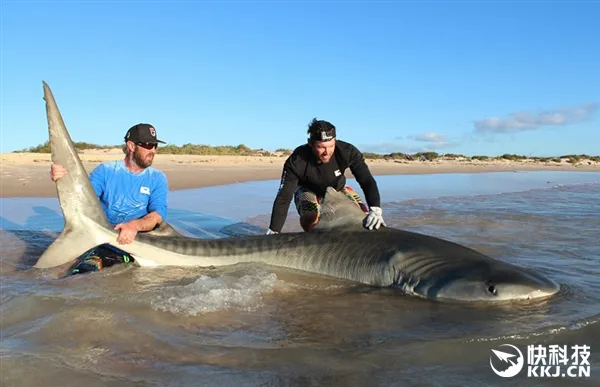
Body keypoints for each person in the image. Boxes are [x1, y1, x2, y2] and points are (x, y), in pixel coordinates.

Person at [49, 123, 169, 274]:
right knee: (82, 275)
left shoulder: (157, 178)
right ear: (131, 146)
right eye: (148, 145)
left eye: (155, 146)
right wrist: (64, 177)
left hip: (142, 241)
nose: (153, 150)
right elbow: (84, 200)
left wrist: (134, 226)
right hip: (106, 238)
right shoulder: (105, 172)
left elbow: (157, 216)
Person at [266, 118, 386, 234]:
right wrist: (274, 230)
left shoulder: (347, 151)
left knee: (364, 216)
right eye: (321, 147)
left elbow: (366, 180)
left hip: (337, 189)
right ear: (311, 144)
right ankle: (313, 241)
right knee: (311, 217)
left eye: (331, 146)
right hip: (308, 189)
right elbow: (284, 197)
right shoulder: (297, 160)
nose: (327, 151)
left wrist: (375, 208)